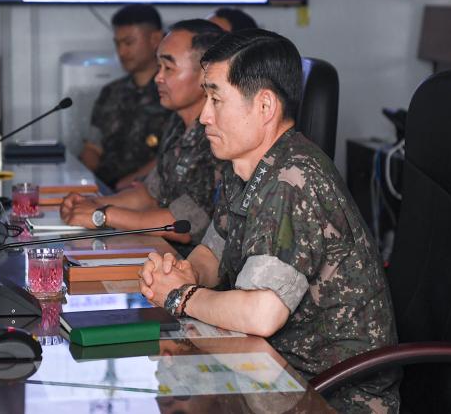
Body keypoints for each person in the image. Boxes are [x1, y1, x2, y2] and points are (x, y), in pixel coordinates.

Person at [139, 29, 400, 412]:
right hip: (269, 371)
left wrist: (179, 296)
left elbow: (261, 313)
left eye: (215, 98)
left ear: (264, 107)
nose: (205, 115)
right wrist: (180, 273)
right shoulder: (244, 165)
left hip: (332, 394)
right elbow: (213, 251)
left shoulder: (293, 177)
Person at [62, 20, 224, 256]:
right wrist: (92, 204)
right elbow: (150, 194)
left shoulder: (216, 134)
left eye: (168, 68)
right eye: (158, 67)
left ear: (206, 74)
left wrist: (103, 215)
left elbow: (184, 225)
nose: (158, 77)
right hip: (159, 253)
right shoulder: (178, 124)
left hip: (192, 267)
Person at [79, 4, 169, 190]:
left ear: (155, 39)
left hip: (149, 194)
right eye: (117, 44)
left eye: (129, 43)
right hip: (104, 189)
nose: (122, 52)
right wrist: (85, 179)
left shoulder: (172, 93)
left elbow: (172, 155)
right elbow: (93, 148)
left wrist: (124, 186)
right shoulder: (111, 92)